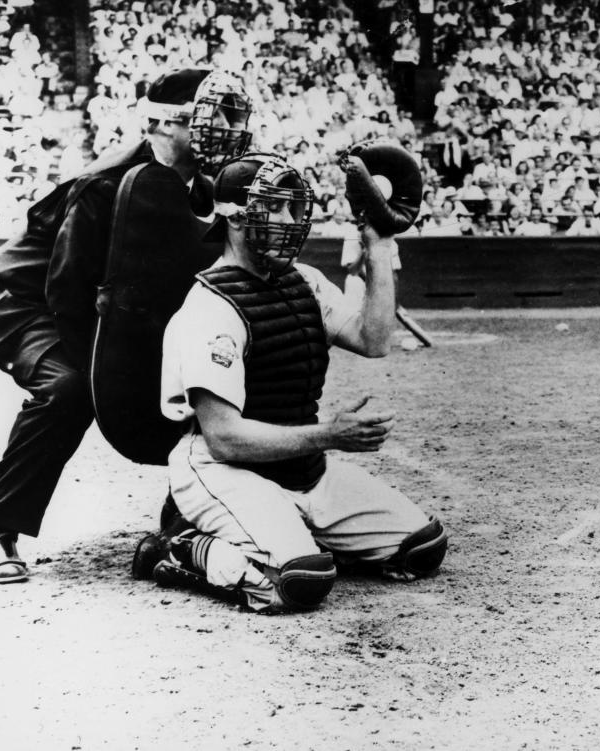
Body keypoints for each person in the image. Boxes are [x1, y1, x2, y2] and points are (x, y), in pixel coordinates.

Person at [0, 68, 254, 583]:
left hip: (89, 307)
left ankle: (184, 524)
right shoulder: (105, 183)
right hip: (21, 303)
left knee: (198, 386)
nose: (225, 130)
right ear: (165, 125)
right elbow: (66, 288)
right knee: (70, 390)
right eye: (210, 119)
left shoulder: (202, 192)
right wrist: (107, 373)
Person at [133, 153, 448, 612]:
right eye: (275, 208)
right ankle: (180, 545)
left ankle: (288, 531)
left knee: (421, 547)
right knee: (298, 581)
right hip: (226, 470)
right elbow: (224, 439)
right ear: (236, 218)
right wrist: (330, 435)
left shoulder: (304, 281)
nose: (290, 220)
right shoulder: (209, 309)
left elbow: (373, 338)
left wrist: (379, 243)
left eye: (293, 208)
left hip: (302, 468)